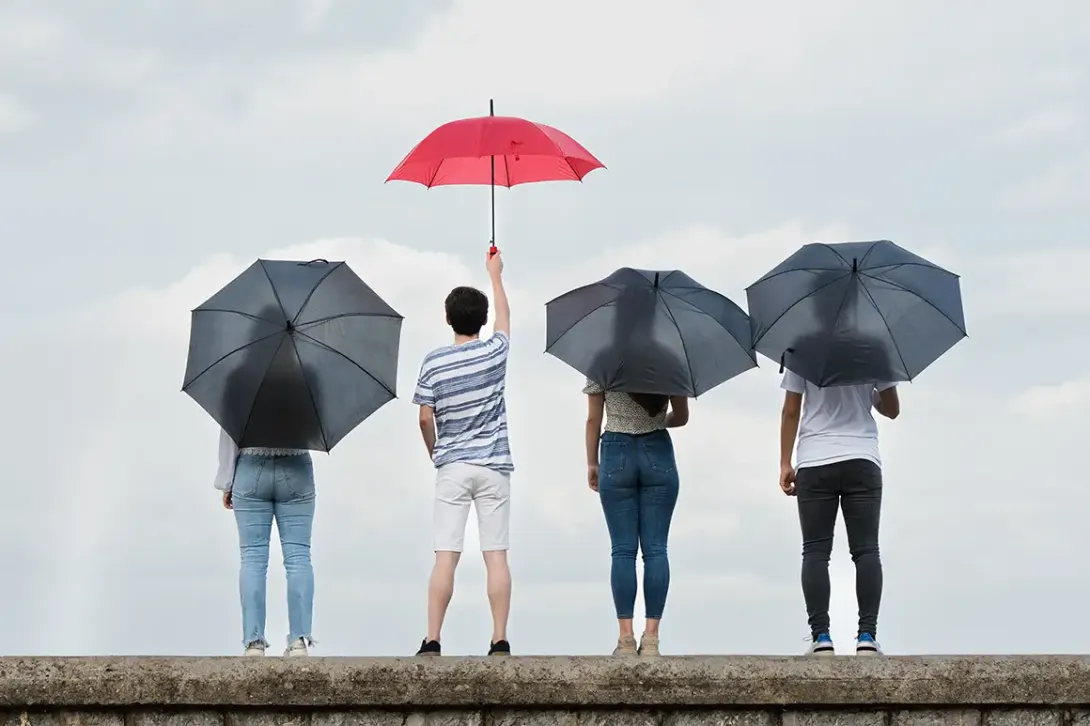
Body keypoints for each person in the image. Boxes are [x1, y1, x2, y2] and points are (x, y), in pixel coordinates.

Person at [413, 248, 513, 657]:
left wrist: (437, 452)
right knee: (496, 556)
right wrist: (495, 274)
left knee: (446, 555)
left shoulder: (434, 362)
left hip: (452, 465)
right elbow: (507, 320)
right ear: (482, 320)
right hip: (493, 466)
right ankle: (499, 638)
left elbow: (424, 418)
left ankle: (433, 638)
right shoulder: (495, 352)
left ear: (448, 318)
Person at [215, 305, 320, 657]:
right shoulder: (307, 377)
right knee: (298, 557)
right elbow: (314, 430)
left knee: (253, 559)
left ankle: (254, 643)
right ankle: (299, 640)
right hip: (295, 468)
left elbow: (230, 433)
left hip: (251, 467)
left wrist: (227, 479)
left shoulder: (237, 378)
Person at [778, 369, 900, 656]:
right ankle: (867, 637)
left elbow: (791, 410)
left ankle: (821, 637)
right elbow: (892, 409)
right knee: (867, 550)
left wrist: (785, 462)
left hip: (815, 459)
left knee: (816, 552)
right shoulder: (874, 346)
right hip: (862, 458)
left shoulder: (801, 347)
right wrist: (869, 395)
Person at [585, 383, 689, 657]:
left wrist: (592, 463)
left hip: (616, 450)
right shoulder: (668, 357)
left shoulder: (602, 358)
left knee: (622, 550)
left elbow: (593, 419)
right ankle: (652, 638)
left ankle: (626, 638)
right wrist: (657, 420)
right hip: (657, 448)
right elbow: (682, 417)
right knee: (656, 549)